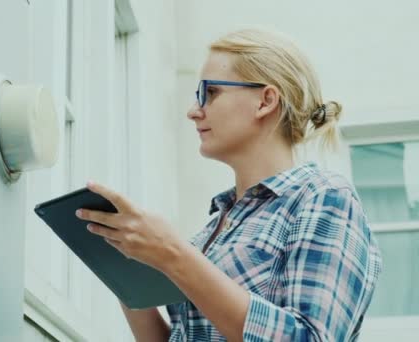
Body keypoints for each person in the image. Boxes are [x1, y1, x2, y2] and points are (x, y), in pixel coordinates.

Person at [75, 29, 382, 341]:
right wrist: (123, 276)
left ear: (265, 101)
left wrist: (174, 254)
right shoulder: (210, 233)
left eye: (211, 93)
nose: (193, 111)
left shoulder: (324, 198)